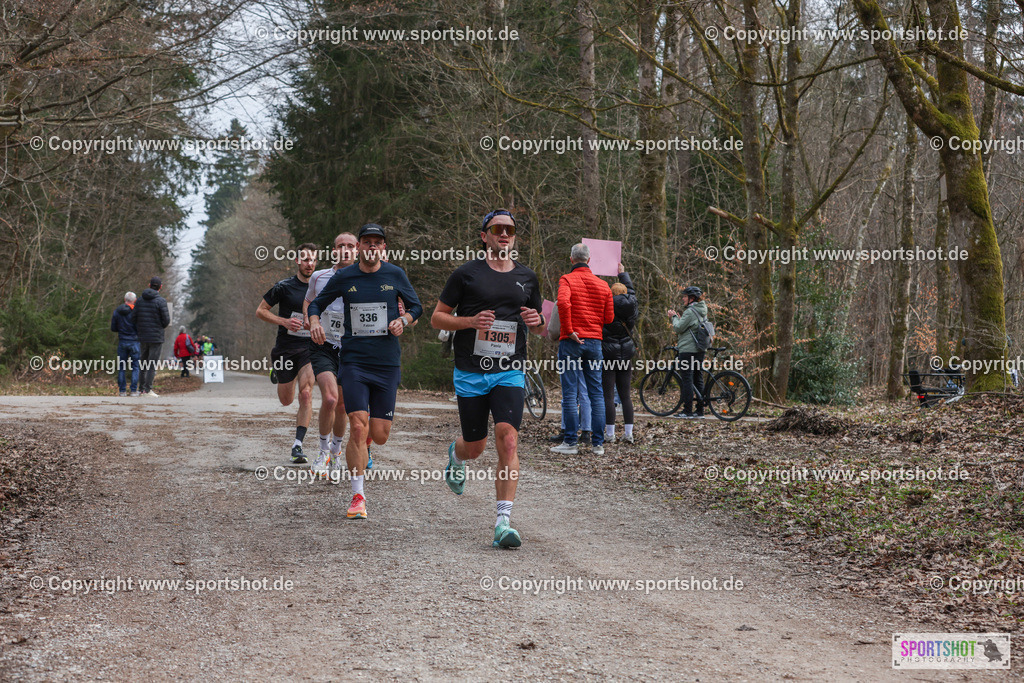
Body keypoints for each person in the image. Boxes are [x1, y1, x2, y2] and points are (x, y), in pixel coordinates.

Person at [431, 209, 544, 548]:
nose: (504, 234)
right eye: (497, 229)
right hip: (470, 372)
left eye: (510, 229)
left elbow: (538, 326)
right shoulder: (465, 274)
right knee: (475, 447)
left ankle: (503, 522)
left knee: (508, 440)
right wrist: (469, 322)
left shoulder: (527, 277)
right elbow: (437, 318)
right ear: (484, 235)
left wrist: (536, 320)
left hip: (510, 369)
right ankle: (456, 455)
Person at [309, 223, 422, 520]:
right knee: (357, 426)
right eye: (366, 242)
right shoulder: (345, 277)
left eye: (377, 242)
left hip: (386, 362)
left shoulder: (395, 274)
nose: (371, 247)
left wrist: (405, 320)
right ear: (359, 246)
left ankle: (369, 444)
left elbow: (416, 306)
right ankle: (357, 495)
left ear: (383, 247)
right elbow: (317, 303)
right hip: (354, 361)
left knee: (380, 434)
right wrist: (314, 322)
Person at [256, 244, 318, 463]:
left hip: (309, 349)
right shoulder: (283, 287)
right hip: (285, 348)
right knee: (286, 400)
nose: (309, 264)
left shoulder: (321, 287)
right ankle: (277, 372)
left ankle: (298, 445)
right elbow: (260, 311)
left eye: (313, 260)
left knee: (307, 393)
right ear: (298, 261)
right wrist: (283, 321)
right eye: (305, 259)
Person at [303, 232, 359, 476]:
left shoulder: (365, 276)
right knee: (330, 399)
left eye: (349, 246)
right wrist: (310, 320)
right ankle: (323, 451)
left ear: (356, 249)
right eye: (340, 246)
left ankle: (336, 452)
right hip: (323, 344)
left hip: (351, 347)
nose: (344, 250)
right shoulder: (319, 276)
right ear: (333, 250)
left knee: (344, 405)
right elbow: (308, 302)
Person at [551, 243, 614, 455]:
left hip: (571, 341)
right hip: (594, 342)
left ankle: (570, 442)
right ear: (589, 260)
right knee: (596, 392)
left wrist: (569, 330)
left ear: (571, 260)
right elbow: (609, 317)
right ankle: (597, 444)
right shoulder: (604, 285)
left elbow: (563, 303)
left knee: (570, 393)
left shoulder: (566, 279)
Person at [545, 305, 591, 445]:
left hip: (569, 344)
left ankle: (567, 430)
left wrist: (552, 336)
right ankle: (586, 432)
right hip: (591, 344)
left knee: (569, 391)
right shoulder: (594, 293)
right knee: (585, 391)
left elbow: (553, 329)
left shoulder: (564, 296)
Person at [602, 263, 638, 443]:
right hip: (626, 355)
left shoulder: (606, 305)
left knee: (608, 395)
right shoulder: (632, 305)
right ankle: (629, 434)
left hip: (608, 355)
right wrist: (623, 274)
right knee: (625, 395)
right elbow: (631, 291)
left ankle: (610, 434)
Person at [668, 286, 709, 419]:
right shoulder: (702, 310)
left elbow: (679, 328)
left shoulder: (690, 312)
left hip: (688, 350)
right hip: (699, 350)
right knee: (698, 378)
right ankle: (700, 411)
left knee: (687, 380)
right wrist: (680, 319)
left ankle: (687, 411)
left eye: (685, 296)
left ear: (691, 298)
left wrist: (674, 317)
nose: (683, 298)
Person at [132, 276, 170, 397]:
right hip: (156, 337)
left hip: (143, 336)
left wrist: (140, 328)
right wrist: (159, 326)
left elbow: (133, 318)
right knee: (152, 364)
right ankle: (148, 390)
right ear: (160, 287)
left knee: (143, 363)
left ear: (149, 285)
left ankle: (141, 389)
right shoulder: (161, 301)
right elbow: (166, 321)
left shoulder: (139, 301)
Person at [110, 291, 140, 396]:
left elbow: (113, 328)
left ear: (124, 300)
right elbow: (139, 327)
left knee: (122, 366)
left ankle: (122, 391)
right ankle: (133, 390)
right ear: (135, 301)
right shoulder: (136, 312)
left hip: (122, 341)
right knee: (135, 366)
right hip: (135, 342)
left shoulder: (117, 311)